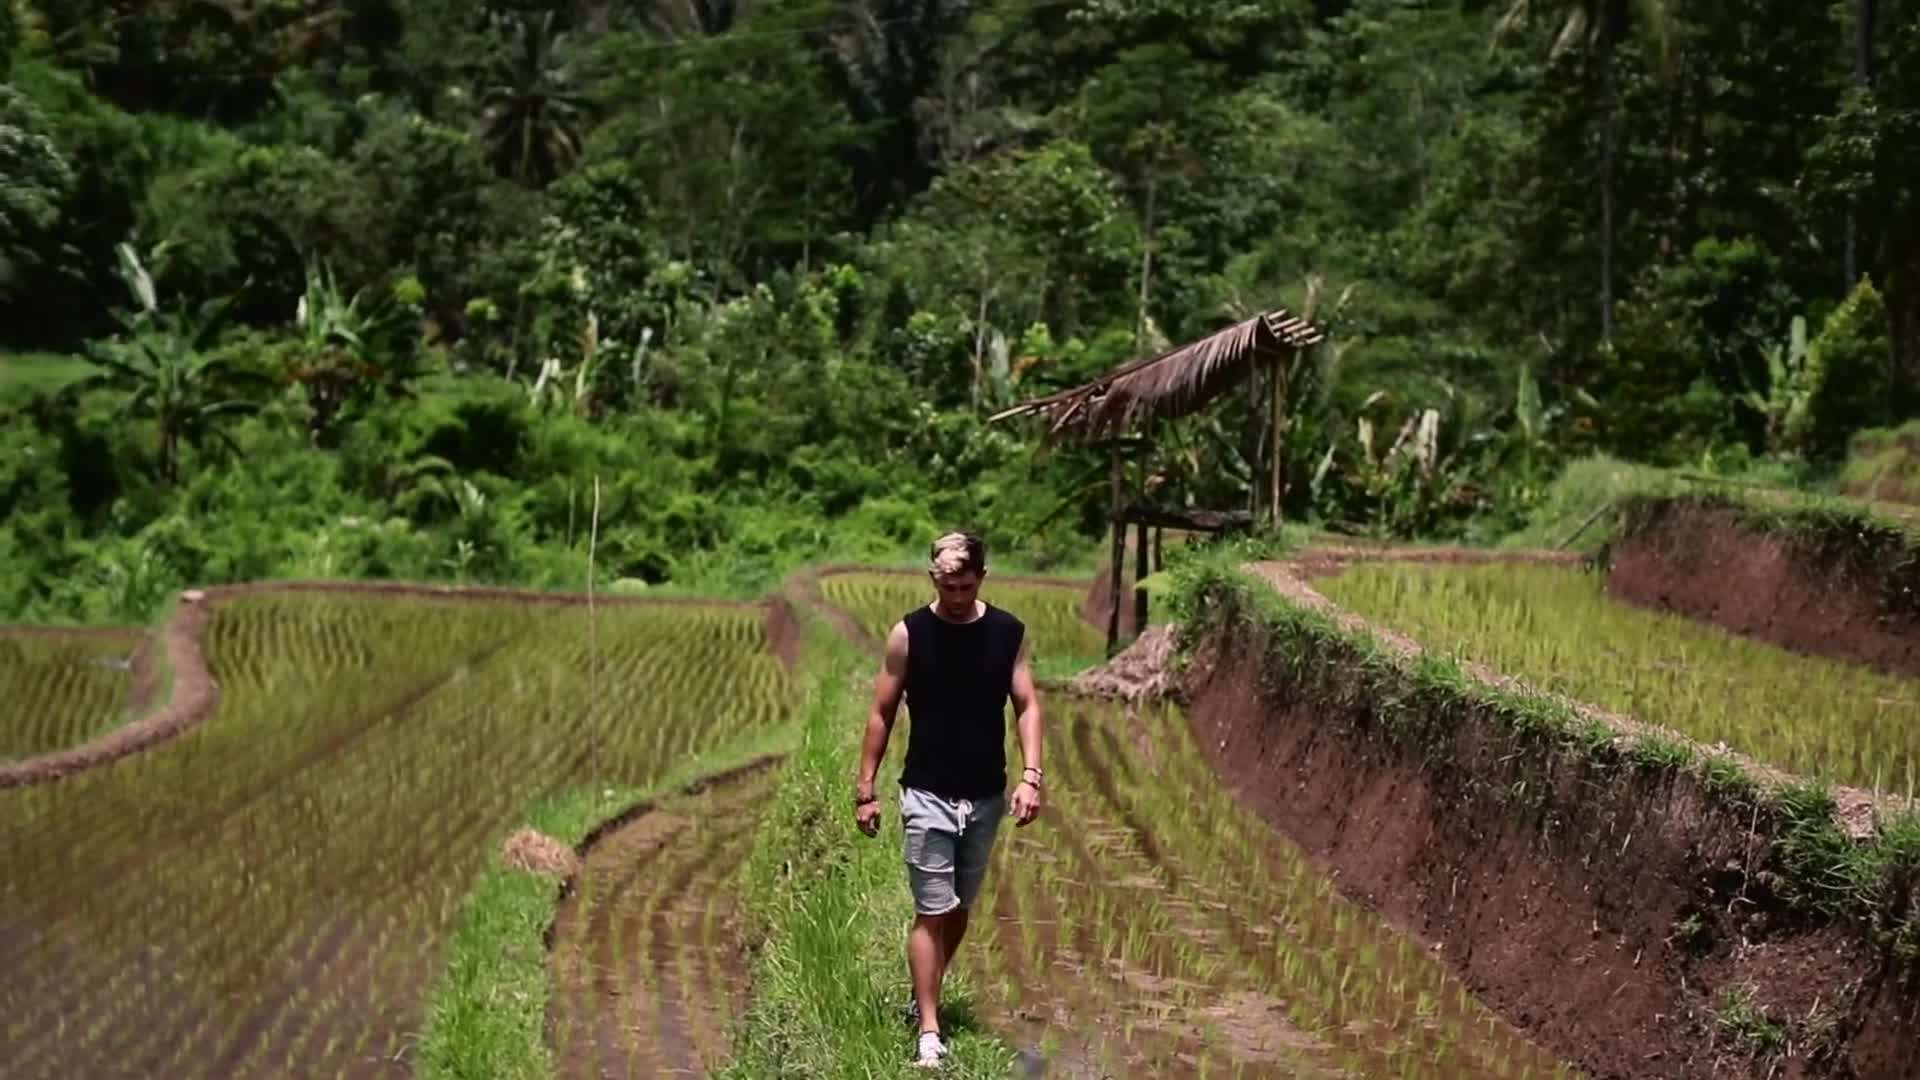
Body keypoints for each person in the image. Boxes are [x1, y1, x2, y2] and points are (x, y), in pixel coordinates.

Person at [854, 530, 1045, 1068]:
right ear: (932, 578)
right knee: (931, 911)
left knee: (959, 909)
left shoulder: (1007, 633)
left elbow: (1027, 705)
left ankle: (925, 994)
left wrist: (1031, 776)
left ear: (980, 578)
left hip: (984, 794)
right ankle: (929, 1032)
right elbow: (881, 713)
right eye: (945, 584)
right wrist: (865, 789)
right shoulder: (910, 634)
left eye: (964, 585)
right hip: (926, 792)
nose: (955, 595)